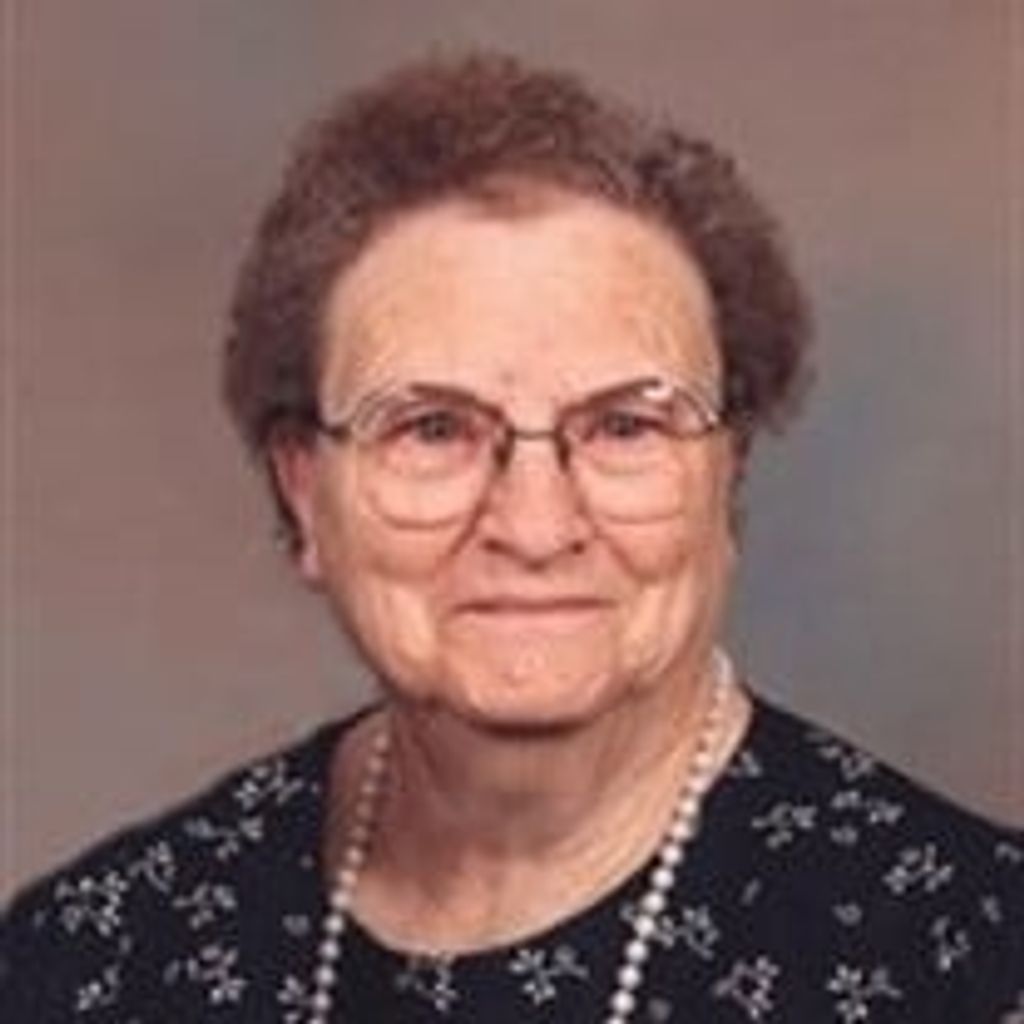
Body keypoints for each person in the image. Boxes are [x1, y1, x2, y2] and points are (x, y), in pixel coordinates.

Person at [2, 52, 1021, 1023]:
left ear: (729, 472)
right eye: (433, 429)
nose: (534, 528)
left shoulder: (974, 960)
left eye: (624, 426)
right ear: (305, 492)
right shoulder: (95, 963)